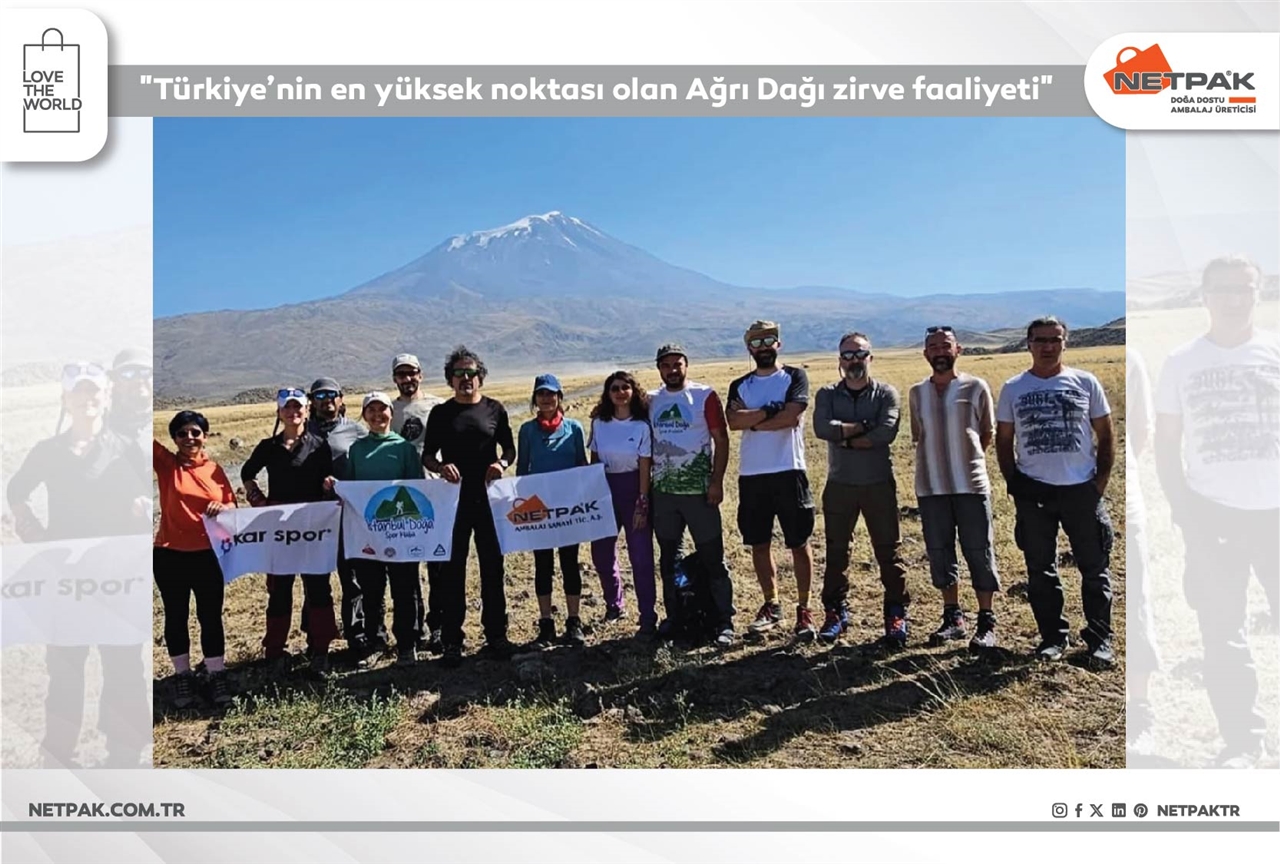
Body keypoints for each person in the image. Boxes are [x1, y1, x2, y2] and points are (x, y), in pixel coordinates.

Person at [1155, 255, 1278, 768]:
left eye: (1244, 289)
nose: (1234, 299)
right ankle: (1244, 741)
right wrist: (1186, 512)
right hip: (1214, 517)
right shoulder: (1182, 362)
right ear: (1203, 295)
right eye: (1223, 289)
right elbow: (1166, 444)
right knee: (1223, 633)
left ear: (1258, 293)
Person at [6, 362, 151, 766]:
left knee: (122, 665)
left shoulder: (124, 447)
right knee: (65, 668)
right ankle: (57, 754)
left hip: (116, 579)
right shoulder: (48, 451)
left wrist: (142, 508)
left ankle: (123, 753)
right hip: (65, 581)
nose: (87, 400)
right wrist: (26, 522)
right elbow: (17, 488)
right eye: (78, 393)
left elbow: (148, 497)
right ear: (65, 400)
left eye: (95, 392)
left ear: (105, 398)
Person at [995, 316, 1115, 666]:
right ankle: (1052, 637)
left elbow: (1106, 435)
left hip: (1081, 490)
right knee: (1040, 569)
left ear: (1065, 343)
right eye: (1040, 340)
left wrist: (1099, 485)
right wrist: (1015, 483)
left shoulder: (1085, 382)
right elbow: (1004, 440)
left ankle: (1099, 639)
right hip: (1034, 492)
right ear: (1028, 343)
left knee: (1094, 569)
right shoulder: (1013, 388)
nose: (1048, 346)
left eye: (1055, 339)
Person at [813, 332, 910, 648]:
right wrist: (863, 426)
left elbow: (886, 433)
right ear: (839, 360)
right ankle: (835, 612)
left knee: (889, 552)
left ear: (871, 357)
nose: (854, 360)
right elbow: (821, 429)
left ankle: (896, 614)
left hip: (878, 485)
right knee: (836, 552)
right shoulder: (827, 394)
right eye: (847, 355)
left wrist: (844, 437)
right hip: (839, 485)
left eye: (860, 354)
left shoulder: (886, 393)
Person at [906, 326, 1000, 651]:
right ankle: (953, 617)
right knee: (940, 551)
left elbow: (986, 433)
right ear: (925, 354)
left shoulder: (976, 387)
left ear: (958, 350)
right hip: (931, 486)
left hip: (970, 485)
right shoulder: (917, 393)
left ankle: (986, 620)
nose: (939, 351)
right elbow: (918, 436)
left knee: (979, 549)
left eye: (945, 346)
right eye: (933, 346)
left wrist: (966, 461)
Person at [422, 347, 516, 666]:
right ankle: (452, 640)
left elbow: (510, 449)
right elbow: (427, 455)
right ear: (450, 379)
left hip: (488, 502)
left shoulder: (495, 409)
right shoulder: (440, 414)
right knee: (452, 570)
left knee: (493, 566)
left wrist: (502, 463)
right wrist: (440, 467)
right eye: (459, 374)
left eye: (471, 373)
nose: (466, 379)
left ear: (481, 377)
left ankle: (496, 635)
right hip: (454, 503)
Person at [725, 320, 816, 640]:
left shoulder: (795, 376)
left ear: (779, 343)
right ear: (748, 347)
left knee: (798, 542)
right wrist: (770, 412)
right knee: (759, 543)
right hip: (752, 475)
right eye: (757, 342)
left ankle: (804, 610)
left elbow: (792, 417)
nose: (763, 347)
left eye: (769, 340)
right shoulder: (739, 384)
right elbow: (733, 421)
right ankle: (771, 604)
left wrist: (755, 419)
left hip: (789, 469)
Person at [241, 388, 338, 675]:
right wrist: (255, 497)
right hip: (280, 529)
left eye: (298, 408)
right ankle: (275, 652)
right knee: (280, 591)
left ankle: (320, 651)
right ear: (279, 413)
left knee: (318, 588)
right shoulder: (268, 446)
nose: (293, 413)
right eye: (287, 408)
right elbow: (248, 472)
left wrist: (328, 486)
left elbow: (327, 479)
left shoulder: (320, 445)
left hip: (311, 526)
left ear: (307, 412)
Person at [328, 391, 425, 666]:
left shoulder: (404, 449)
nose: (377, 415)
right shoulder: (357, 450)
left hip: (400, 532)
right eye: (370, 410)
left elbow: (416, 489)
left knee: (404, 588)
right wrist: (334, 485)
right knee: (372, 590)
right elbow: (350, 488)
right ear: (364, 415)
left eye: (382, 409)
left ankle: (407, 644)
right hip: (367, 533)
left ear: (390, 414)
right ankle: (376, 641)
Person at [648, 344, 735, 646]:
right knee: (669, 560)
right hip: (664, 496)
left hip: (700, 494)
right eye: (666, 365)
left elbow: (721, 440)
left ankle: (725, 620)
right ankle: (675, 617)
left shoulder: (704, 395)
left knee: (713, 558)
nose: (673, 369)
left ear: (687, 365)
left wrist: (717, 481)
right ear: (659, 368)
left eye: (678, 364)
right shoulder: (651, 400)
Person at [152, 410, 237, 706]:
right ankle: (183, 677)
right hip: (169, 554)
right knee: (176, 616)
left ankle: (216, 675)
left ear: (205, 435)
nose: (189, 438)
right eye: (182, 433)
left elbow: (231, 503)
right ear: (174, 438)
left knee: (210, 616)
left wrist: (223, 507)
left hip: (208, 555)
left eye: (195, 432)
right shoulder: (166, 465)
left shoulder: (215, 470)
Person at [516, 373, 589, 647]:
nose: (546, 399)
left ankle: (573, 621)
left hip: (569, 509)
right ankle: (546, 623)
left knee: (570, 563)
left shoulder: (574, 428)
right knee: (542, 564)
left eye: (551, 394)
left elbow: (581, 463)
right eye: (541, 394)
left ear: (560, 397)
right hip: (540, 510)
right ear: (534, 399)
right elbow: (523, 469)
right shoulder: (527, 431)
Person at [588, 371, 658, 637]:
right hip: (605, 490)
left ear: (633, 391)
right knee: (602, 554)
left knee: (640, 556)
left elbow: (644, 465)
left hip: (633, 490)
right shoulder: (599, 424)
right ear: (608, 393)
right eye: (614, 388)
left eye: (625, 387)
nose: (620, 392)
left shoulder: (641, 426)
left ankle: (647, 615)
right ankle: (614, 604)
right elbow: (594, 459)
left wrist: (642, 502)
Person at [305, 377, 370, 652]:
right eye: (319, 396)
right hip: (312, 517)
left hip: (347, 517)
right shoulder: (301, 431)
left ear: (341, 399)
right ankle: (317, 640)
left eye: (331, 395)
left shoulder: (356, 431)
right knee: (315, 580)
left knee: (352, 579)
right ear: (311, 401)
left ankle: (357, 636)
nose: (326, 400)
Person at [389, 352, 445, 656]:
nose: (407, 379)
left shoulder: (436, 406)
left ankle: (438, 625)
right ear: (395, 378)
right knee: (406, 568)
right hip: (401, 500)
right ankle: (413, 629)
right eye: (401, 374)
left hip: (434, 495)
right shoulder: (387, 410)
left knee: (438, 565)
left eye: (411, 373)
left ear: (421, 374)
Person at [1126, 346, 1161, 755]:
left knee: (1136, 599)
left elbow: (1143, 433)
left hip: (1126, 500)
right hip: (1079, 492)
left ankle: (1140, 706)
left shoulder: (1133, 358)